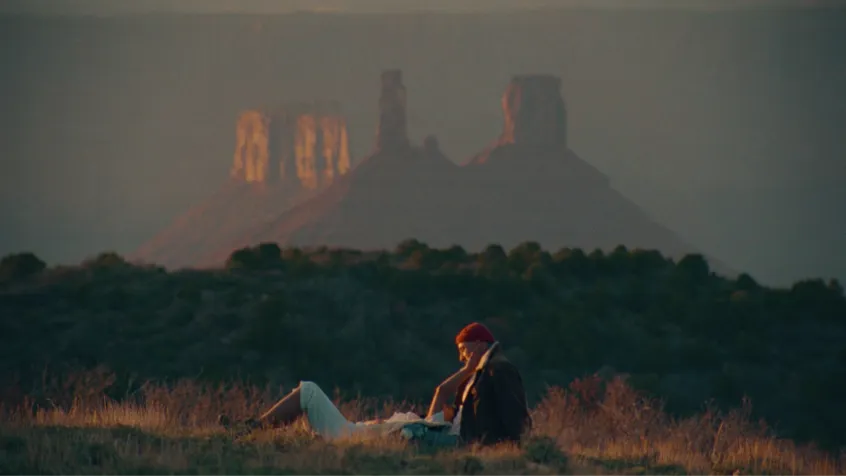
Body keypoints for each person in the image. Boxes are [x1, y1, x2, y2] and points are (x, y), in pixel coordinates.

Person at [219, 322, 531, 446]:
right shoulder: (474, 383)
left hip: (365, 435)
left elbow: (513, 418)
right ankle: (255, 431)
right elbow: (442, 393)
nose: (461, 357)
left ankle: (250, 431)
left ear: (477, 345)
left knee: (309, 391)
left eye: (464, 350)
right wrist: (471, 368)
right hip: (380, 430)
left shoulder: (497, 373)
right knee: (311, 399)